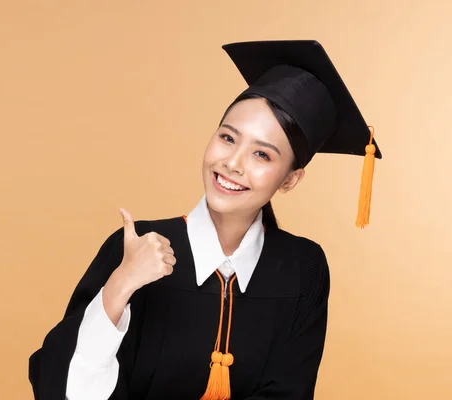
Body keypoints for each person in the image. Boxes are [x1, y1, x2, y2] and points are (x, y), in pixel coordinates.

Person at [28, 40, 382, 400]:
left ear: (290, 179)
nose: (233, 162)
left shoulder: (302, 267)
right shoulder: (138, 247)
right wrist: (119, 286)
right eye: (228, 137)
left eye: (261, 153)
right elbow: (63, 389)